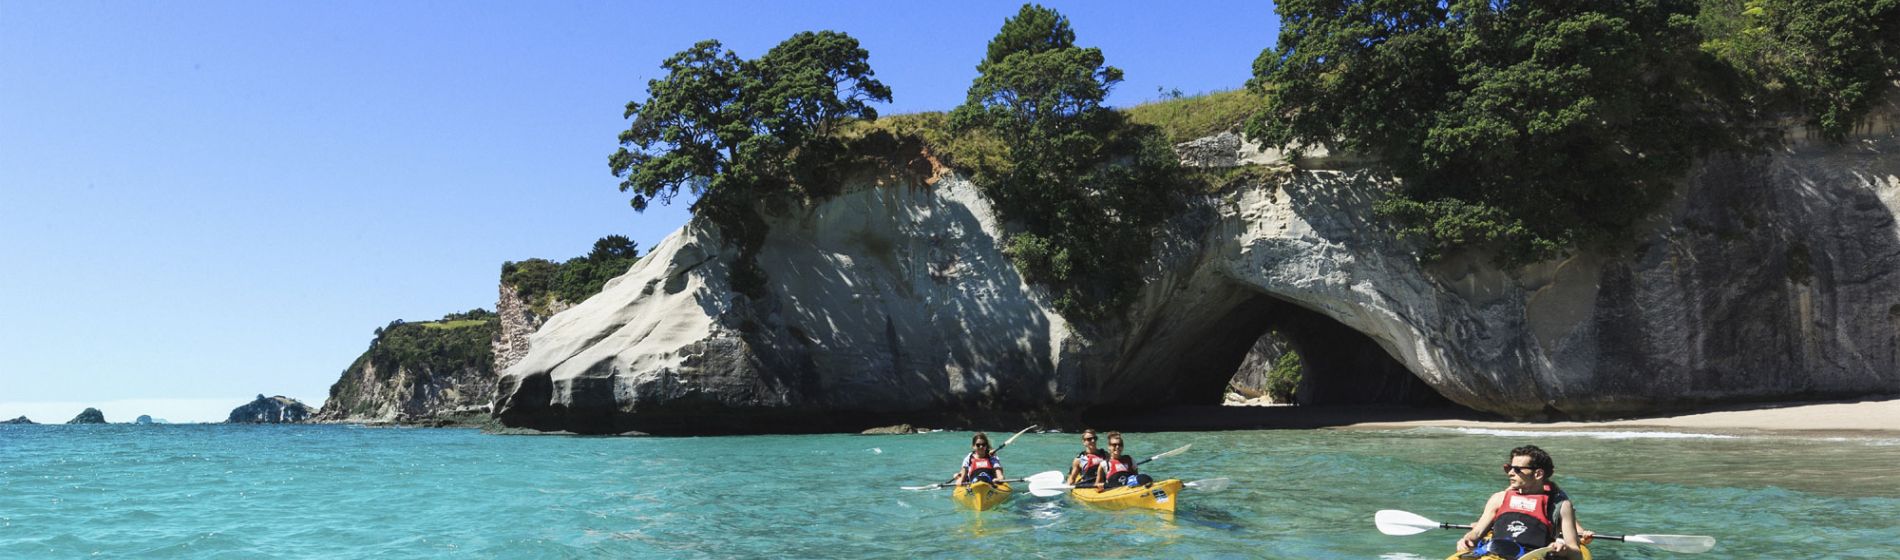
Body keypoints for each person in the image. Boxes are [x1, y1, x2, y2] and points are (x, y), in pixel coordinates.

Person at [1456, 445, 1584, 559]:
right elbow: (1477, 533)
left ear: (1538, 474)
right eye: (1509, 468)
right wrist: (1467, 539)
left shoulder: (1560, 506)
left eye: (1517, 469)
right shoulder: (1498, 498)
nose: (1510, 473)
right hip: (1492, 554)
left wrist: (1564, 550)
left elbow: (1576, 553)